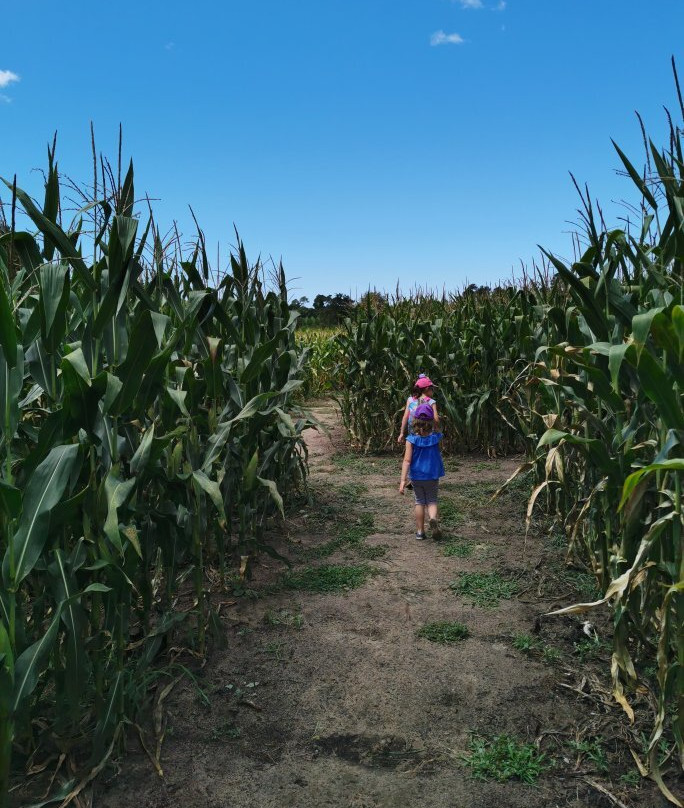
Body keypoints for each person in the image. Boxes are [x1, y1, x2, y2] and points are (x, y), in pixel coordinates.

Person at [398, 403, 444, 540]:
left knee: (419, 502)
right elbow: (438, 426)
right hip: (432, 475)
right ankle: (433, 518)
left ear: (414, 421)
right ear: (430, 422)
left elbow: (406, 461)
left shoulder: (411, 440)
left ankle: (420, 532)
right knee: (432, 500)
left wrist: (402, 481)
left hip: (417, 476)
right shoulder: (436, 438)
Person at [397, 374, 439, 443]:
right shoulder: (431, 402)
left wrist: (401, 433)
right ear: (427, 389)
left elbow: (405, 417)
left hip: (413, 436)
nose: (433, 391)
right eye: (432, 389)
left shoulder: (410, 400)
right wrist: (437, 431)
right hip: (427, 435)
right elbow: (436, 419)